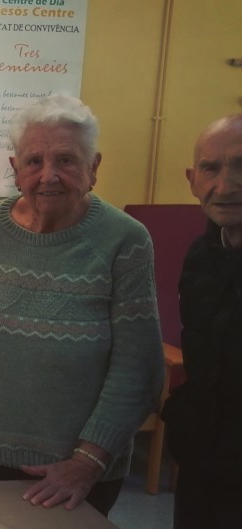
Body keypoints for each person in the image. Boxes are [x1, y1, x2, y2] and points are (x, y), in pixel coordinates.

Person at [0, 94, 163, 516]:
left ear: (94, 167)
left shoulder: (125, 240)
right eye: (34, 161)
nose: (48, 175)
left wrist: (88, 461)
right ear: (16, 169)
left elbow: (139, 367)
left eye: (67, 160)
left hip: (70, 472)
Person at [163, 114, 242, 529]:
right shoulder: (201, 254)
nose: (225, 186)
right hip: (203, 465)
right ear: (193, 180)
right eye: (211, 168)